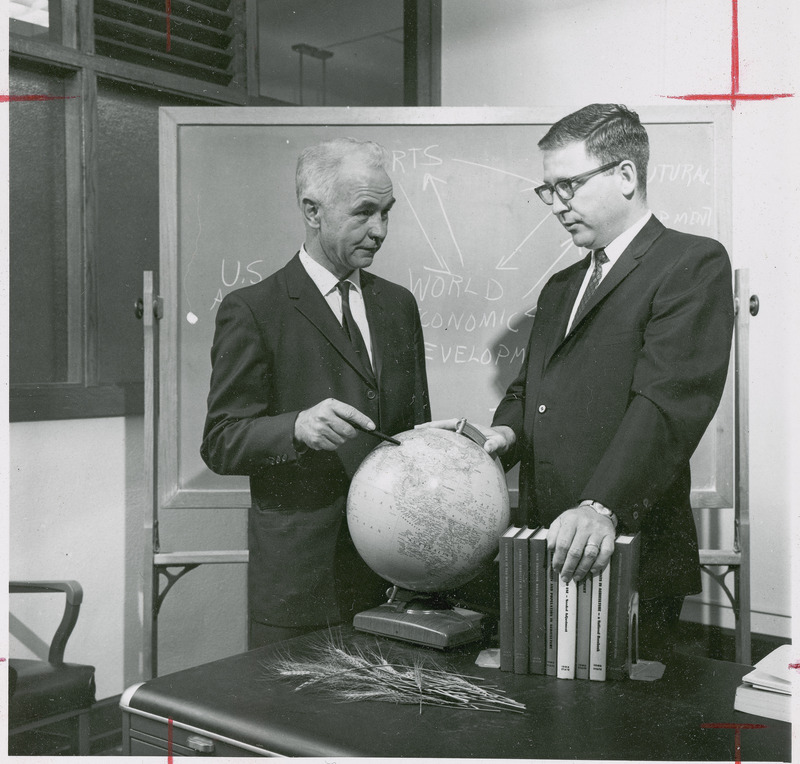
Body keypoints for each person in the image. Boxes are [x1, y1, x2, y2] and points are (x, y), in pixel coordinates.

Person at [430, 104, 734, 661]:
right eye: (549, 190)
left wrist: (602, 505)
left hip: (625, 543)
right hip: (546, 548)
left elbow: (668, 403)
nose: (558, 205)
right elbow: (529, 393)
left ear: (626, 175)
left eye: (568, 184)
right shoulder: (562, 286)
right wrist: (500, 439)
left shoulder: (691, 264)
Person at [201, 137, 431, 649]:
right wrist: (296, 426)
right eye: (365, 212)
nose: (380, 231)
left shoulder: (398, 306)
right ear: (312, 210)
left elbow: (410, 428)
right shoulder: (255, 309)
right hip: (301, 586)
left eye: (386, 213)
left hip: (392, 576)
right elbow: (220, 441)